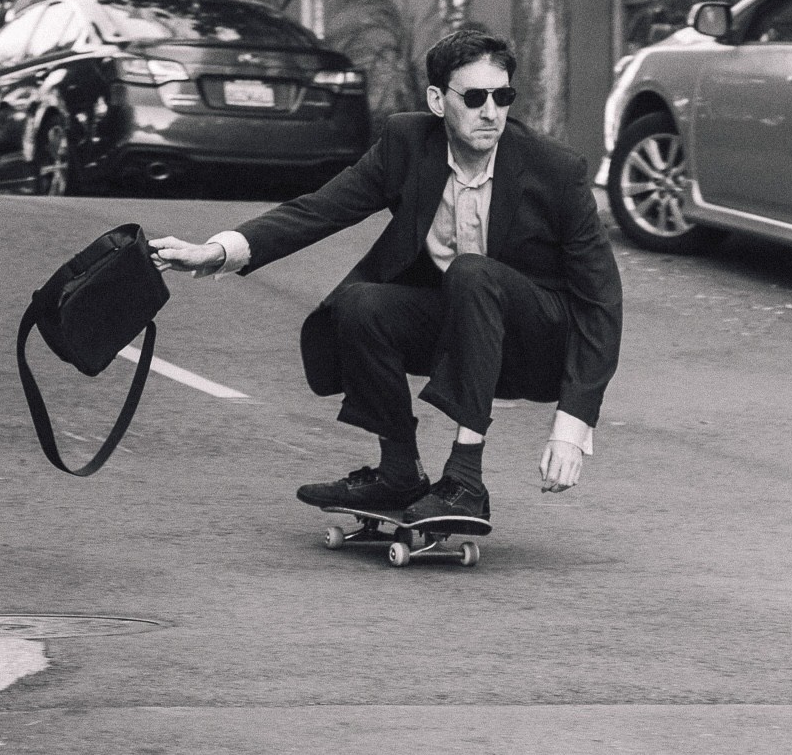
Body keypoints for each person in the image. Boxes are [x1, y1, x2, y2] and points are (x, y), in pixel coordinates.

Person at [149, 29, 623, 527]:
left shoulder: (555, 170)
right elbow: (320, 210)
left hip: (535, 343)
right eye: (476, 97)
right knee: (360, 304)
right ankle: (398, 472)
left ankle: (465, 481)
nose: (491, 112)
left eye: (502, 97)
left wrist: (572, 424)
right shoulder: (407, 144)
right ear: (438, 101)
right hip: (463, 327)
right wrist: (217, 251)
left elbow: (601, 301)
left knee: (472, 274)